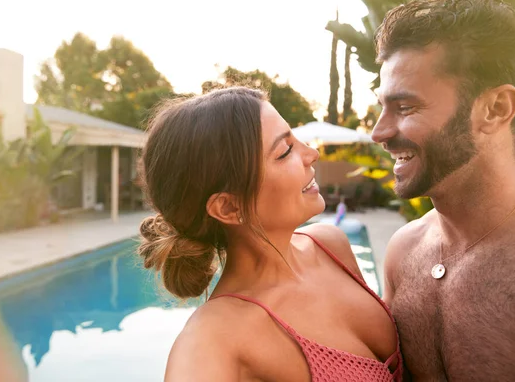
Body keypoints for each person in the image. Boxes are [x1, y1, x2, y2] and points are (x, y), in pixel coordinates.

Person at [138, 87, 402, 381]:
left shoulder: (329, 245)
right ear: (228, 207)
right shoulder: (214, 338)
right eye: (285, 151)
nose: (312, 154)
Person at [372, 0, 515, 380]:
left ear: (495, 109)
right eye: (381, 106)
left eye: (405, 107)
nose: (379, 133)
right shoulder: (404, 252)